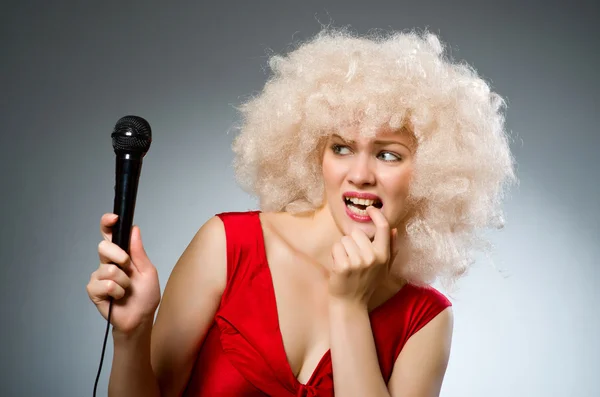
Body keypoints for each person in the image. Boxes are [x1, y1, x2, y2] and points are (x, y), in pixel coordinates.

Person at [87, 27, 516, 397]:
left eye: (388, 154)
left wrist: (348, 307)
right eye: (341, 148)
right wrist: (131, 334)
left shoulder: (424, 319)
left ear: (429, 173)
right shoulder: (229, 246)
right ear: (315, 154)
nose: (360, 175)